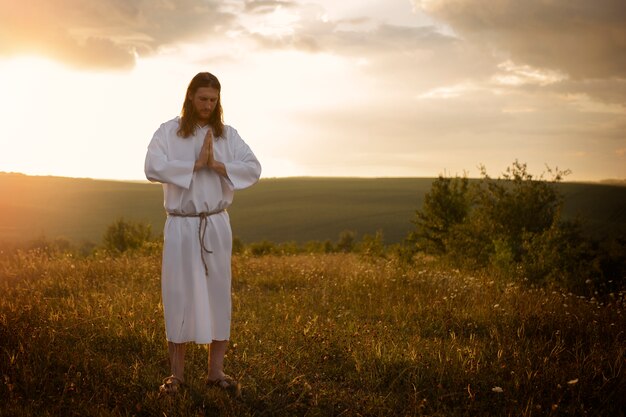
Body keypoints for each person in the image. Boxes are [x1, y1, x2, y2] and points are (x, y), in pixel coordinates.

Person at [144, 72, 261, 395]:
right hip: (182, 224)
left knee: (218, 294)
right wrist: (194, 164)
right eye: (203, 99)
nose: (208, 105)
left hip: (215, 223)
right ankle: (177, 376)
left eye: (213, 100)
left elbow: (253, 167)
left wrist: (218, 164)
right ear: (190, 98)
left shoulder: (228, 136)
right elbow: (151, 166)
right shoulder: (168, 132)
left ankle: (215, 372)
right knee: (179, 294)